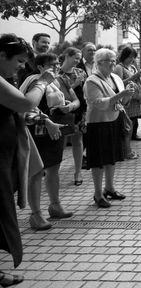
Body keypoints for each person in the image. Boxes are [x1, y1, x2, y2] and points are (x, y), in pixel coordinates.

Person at [0, 34, 56, 287]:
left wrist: (37, 119)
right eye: (20, 61)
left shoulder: (6, 78)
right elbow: (24, 103)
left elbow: (16, 114)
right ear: (2, 56)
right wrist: (42, 84)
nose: (22, 67)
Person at [20, 53, 77, 230]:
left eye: (57, 63)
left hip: (55, 129)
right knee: (36, 172)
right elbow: (27, 106)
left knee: (54, 168)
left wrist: (66, 104)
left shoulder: (55, 81)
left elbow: (64, 99)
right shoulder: (34, 80)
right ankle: (35, 215)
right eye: (51, 64)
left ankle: (55, 205)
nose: (55, 67)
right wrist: (46, 120)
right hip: (37, 131)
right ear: (40, 67)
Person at [83, 48, 136, 208]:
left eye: (114, 59)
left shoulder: (115, 78)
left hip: (114, 120)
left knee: (112, 157)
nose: (113, 63)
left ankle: (110, 188)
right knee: (99, 160)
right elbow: (98, 103)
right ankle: (98, 194)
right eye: (109, 60)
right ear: (99, 63)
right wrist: (121, 95)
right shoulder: (91, 81)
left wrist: (129, 94)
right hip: (98, 124)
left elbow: (123, 102)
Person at [57, 47, 87, 186]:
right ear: (66, 56)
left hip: (79, 111)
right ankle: (55, 171)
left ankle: (78, 172)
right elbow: (60, 93)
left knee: (78, 141)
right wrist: (75, 84)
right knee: (60, 143)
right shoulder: (58, 73)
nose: (78, 61)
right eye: (75, 58)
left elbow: (84, 93)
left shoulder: (80, 72)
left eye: (79, 58)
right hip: (62, 112)